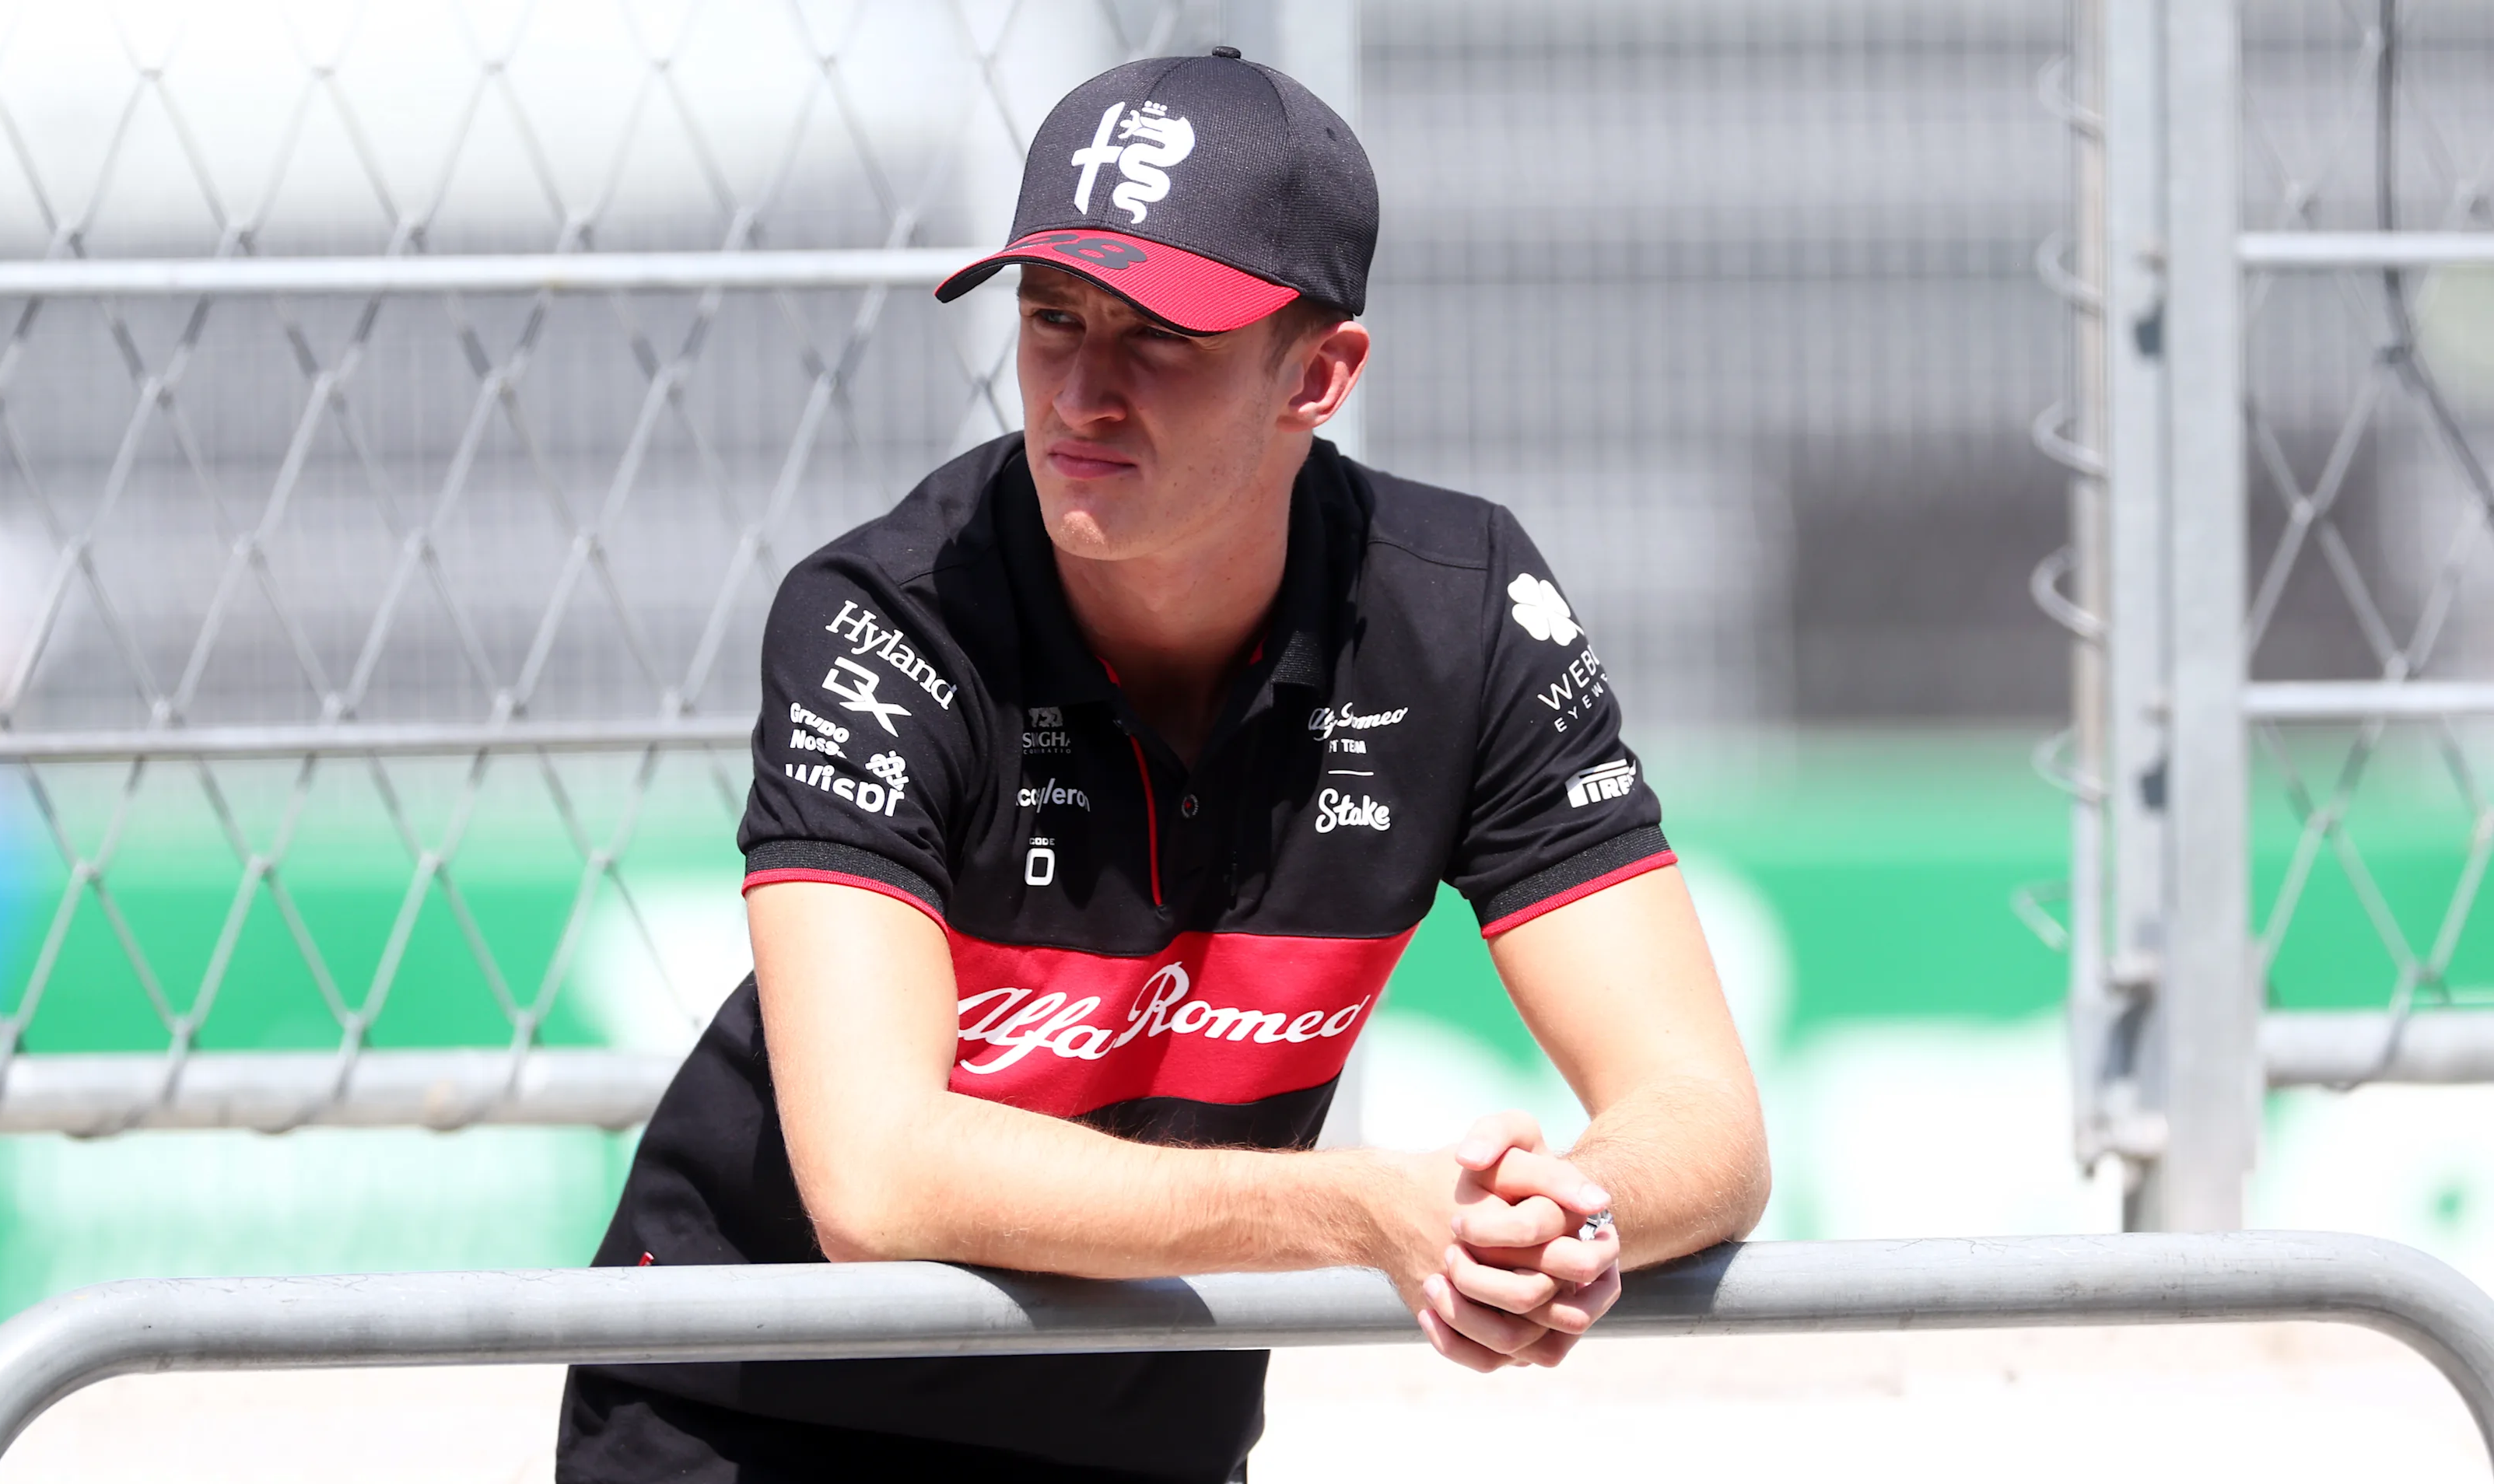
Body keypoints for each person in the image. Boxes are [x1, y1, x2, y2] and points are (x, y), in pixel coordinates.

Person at [559, 46, 1769, 1484]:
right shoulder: (881, 619)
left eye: (1160, 338)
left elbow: (1707, 1121)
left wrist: (1556, 1221)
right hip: (751, 1416)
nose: (1081, 392)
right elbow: (879, 1182)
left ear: (1318, 374)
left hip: (1149, 1436)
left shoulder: (1470, 610)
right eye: (1052, 317)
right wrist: (1367, 1213)